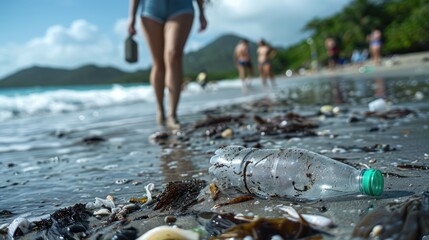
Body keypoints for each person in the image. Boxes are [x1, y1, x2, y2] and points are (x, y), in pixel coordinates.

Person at [128, 0, 207, 129]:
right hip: (150, 9)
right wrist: (131, 17)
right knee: (158, 62)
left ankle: (172, 114)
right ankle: (160, 110)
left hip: (181, 6)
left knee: (173, 55)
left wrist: (202, 12)